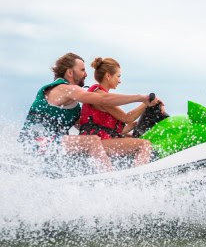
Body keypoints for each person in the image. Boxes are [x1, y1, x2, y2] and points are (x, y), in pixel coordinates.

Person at [18, 53, 156, 171]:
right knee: (92, 141)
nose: (86, 74)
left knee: (92, 141)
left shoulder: (73, 107)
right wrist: (141, 98)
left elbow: (86, 127)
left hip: (54, 146)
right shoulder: (63, 88)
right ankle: (110, 178)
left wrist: (128, 131)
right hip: (35, 141)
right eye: (82, 70)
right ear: (70, 72)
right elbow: (103, 99)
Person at [79, 57, 162, 166]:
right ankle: (139, 177)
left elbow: (111, 128)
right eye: (118, 76)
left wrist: (134, 126)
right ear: (108, 76)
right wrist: (145, 103)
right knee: (144, 144)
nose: (120, 80)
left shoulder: (100, 94)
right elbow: (127, 118)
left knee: (136, 139)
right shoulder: (100, 96)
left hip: (101, 140)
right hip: (96, 143)